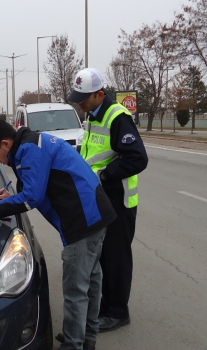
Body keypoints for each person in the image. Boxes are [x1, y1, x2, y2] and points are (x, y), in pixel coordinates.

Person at [0, 119, 116, 350]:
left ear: (5, 144)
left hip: (82, 221)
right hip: (95, 214)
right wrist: (9, 194)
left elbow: (33, 197)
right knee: (91, 279)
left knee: (75, 290)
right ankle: (86, 337)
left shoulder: (29, 149)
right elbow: (35, 177)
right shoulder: (32, 142)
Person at [67, 68, 148, 333]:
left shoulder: (118, 117)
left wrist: (105, 175)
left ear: (100, 94)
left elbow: (137, 158)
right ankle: (106, 304)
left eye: (84, 97)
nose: (80, 102)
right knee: (102, 256)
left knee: (117, 256)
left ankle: (118, 311)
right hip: (101, 198)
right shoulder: (92, 115)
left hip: (119, 200)